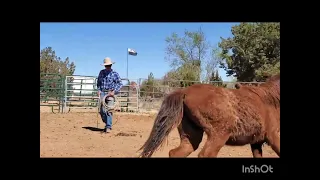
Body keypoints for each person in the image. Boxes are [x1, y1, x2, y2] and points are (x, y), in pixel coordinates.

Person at [97, 57, 123, 133]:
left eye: (109, 65)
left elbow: (120, 83)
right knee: (102, 110)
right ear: (104, 66)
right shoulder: (101, 72)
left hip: (110, 93)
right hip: (102, 92)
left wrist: (114, 92)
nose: (108, 67)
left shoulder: (115, 74)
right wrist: (98, 90)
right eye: (106, 65)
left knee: (109, 110)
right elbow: (98, 82)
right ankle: (107, 122)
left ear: (111, 65)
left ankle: (108, 126)